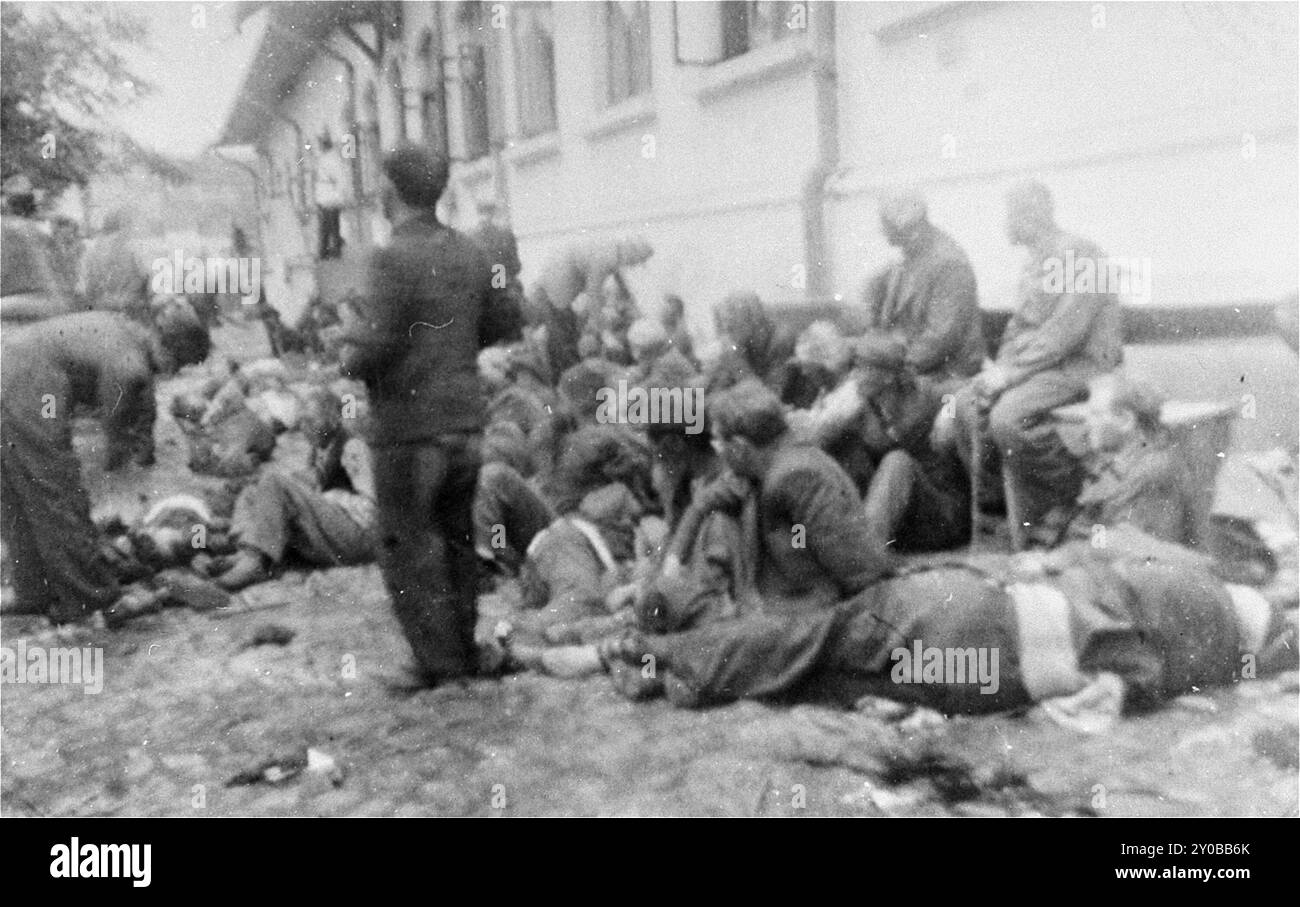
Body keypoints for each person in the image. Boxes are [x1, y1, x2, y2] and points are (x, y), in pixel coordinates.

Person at [604, 538, 1296, 718]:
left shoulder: (1188, 584)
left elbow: (1085, 572)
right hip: (990, 676)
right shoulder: (1210, 656)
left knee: (815, 640)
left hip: (978, 613)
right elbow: (1133, 671)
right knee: (835, 676)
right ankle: (680, 673)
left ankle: (664, 658)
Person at [339, 143, 522, 686]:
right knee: (457, 540)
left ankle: (436, 665)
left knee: (407, 546)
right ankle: (462, 650)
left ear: (389, 192)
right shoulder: (470, 252)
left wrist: (348, 348)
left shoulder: (389, 257)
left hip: (407, 429)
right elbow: (499, 322)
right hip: (465, 422)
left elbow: (373, 348)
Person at [1, 305, 210, 623]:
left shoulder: (124, 332)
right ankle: (90, 598)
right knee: (57, 490)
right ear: (171, 348)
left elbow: (138, 403)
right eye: (178, 365)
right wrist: (122, 467)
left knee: (16, 491)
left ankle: (33, 589)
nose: (172, 372)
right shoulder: (131, 363)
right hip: (33, 386)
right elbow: (114, 430)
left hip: (10, 366)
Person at [952, 180, 1123, 543]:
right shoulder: (1037, 261)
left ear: (1032, 216)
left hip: (1082, 366)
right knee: (965, 406)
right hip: (1044, 367)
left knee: (1009, 418)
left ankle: (1079, 493)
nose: (1005, 224)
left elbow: (1065, 333)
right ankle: (1007, 510)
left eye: (1010, 214)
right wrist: (997, 372)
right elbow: (1020, 329)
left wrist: (1009, 375)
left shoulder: (1080, 255)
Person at [668, 379, 894, 618]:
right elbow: (702, 503)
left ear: (738, 447)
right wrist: (671, 564)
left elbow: (860, 572)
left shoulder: (797, 476)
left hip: (820, 615)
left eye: (718, 441)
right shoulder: (757, 467)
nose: (717, 450)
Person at [212, 393, 377, 590]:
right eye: (301, 421)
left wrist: (329, 499)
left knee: (274, 482)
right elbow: (314, 478)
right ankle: (246, 550)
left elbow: (371, 509)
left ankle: (256, 562)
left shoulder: (352, 447)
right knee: (251, 492)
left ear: (333, 420)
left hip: (355, 536)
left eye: (310, 420)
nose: (304, 427)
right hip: (331, 529)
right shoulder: (320, 449)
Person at [860, 188, 985, 392]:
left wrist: (896, 367)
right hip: (916, 365)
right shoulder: (909, 257)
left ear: (909, 226)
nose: (883, 231)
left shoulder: (949, 263)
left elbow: (942, 336)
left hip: (947, 373)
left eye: (887, 224)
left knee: (868, 387)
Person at [1, 175, 75, 323]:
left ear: (8, 203)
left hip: (30, 302)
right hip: (54, 303)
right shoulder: (41, 231)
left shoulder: (10, 228)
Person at [704, 291, 797, 394]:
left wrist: (738, 365)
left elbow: (770, 397)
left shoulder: (781, 340)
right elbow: (716, 389)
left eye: (731, 324)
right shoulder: (742, 342)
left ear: (752, 319)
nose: (727, 329)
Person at [81, 208, 150, 322]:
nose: (132, 229)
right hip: (131, 310)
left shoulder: (92, 250)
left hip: (101, 310)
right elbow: (146, 276)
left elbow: (88, 287)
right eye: (130, 224)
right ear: (124, 225)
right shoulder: (131, 247)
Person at [314, 133, 348, 260]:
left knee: (328, 225)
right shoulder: (328, 159)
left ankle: (327, 251)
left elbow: (340, 179)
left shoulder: (331, 160)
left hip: (330, 197)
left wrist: (339, 195)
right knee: (330, 225)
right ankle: (329, 250)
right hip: (327, 196)